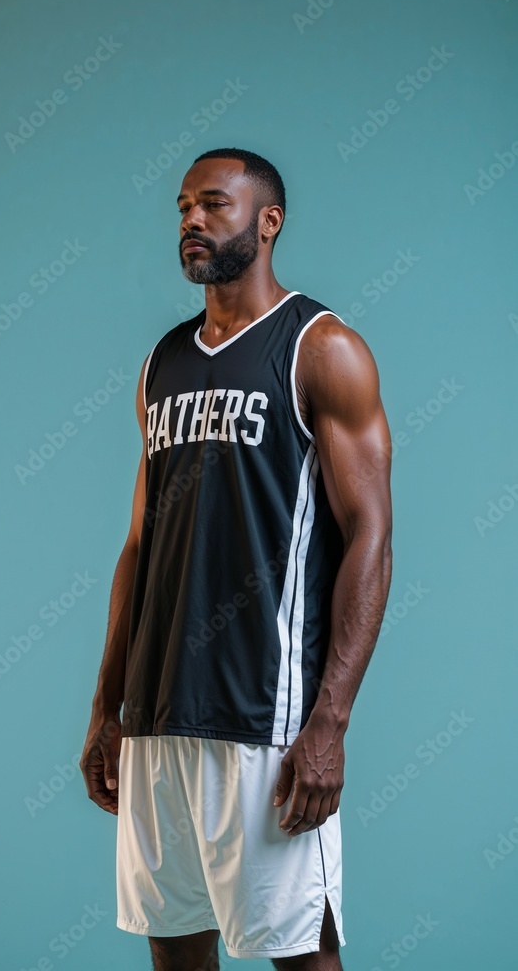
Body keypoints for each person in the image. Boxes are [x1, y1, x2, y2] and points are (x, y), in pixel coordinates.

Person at [80, 147, 393, 971]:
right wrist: (106, 706)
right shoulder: (162, 364)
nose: (190, 219)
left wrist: (329, 721)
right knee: (175, 950)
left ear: (267, 221)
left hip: (266, 717)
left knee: (300, 956)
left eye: (212, 205)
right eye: (183, 206)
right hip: (156, 714)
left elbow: (369, 536)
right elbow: (141, 547)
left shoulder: (321, 347)